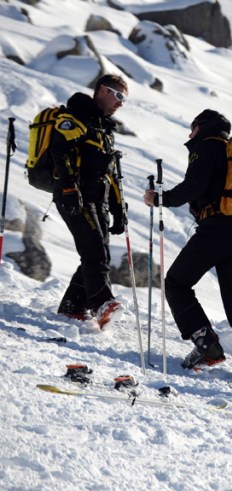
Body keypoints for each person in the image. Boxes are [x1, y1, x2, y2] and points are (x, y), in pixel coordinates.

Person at [143, 109, 232, 393]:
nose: (189, 134)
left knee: (176, 283)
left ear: (201, 126)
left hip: (218, 229)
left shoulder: (206, 146)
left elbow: (194, 185)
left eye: (192, 127)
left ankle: (207, 346)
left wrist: (162, 198)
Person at [52, 74, 128, 329]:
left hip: (98, 200)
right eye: (118, 95)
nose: (120, 102)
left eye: (124, 98)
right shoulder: (76, 116)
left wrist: (119, 210)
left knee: (99, 253)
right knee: (94, 250)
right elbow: (60, 150)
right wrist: (69, 187)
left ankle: (73, 306)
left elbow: (110, 174)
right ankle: (101, 304)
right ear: (102, 91)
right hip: (75, 195)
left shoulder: (104, 130)